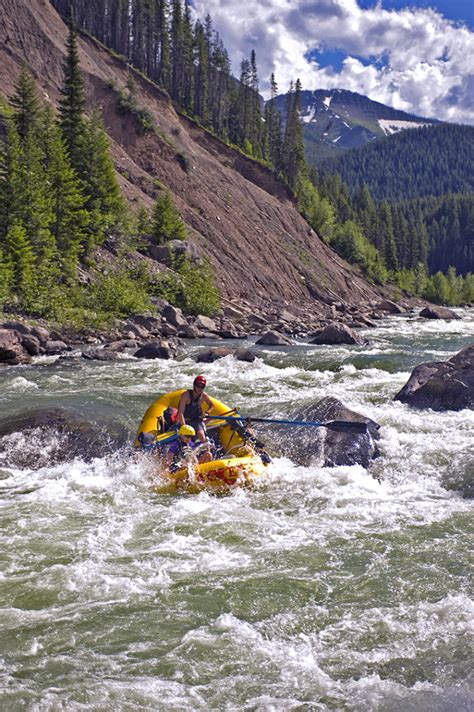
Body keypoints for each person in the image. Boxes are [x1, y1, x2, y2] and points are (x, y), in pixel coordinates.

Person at [177, 375, 214, 443]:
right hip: (185, 420)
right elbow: (180, 413)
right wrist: (184, 426)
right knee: (185, 437)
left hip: (196, 421)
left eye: (202, 386)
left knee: (202, 436)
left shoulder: (203, 396)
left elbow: (212, 405)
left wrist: (207, 413)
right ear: (194, 385)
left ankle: (207, 452)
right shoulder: (186, 395)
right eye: (198, 385)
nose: (200, 388)